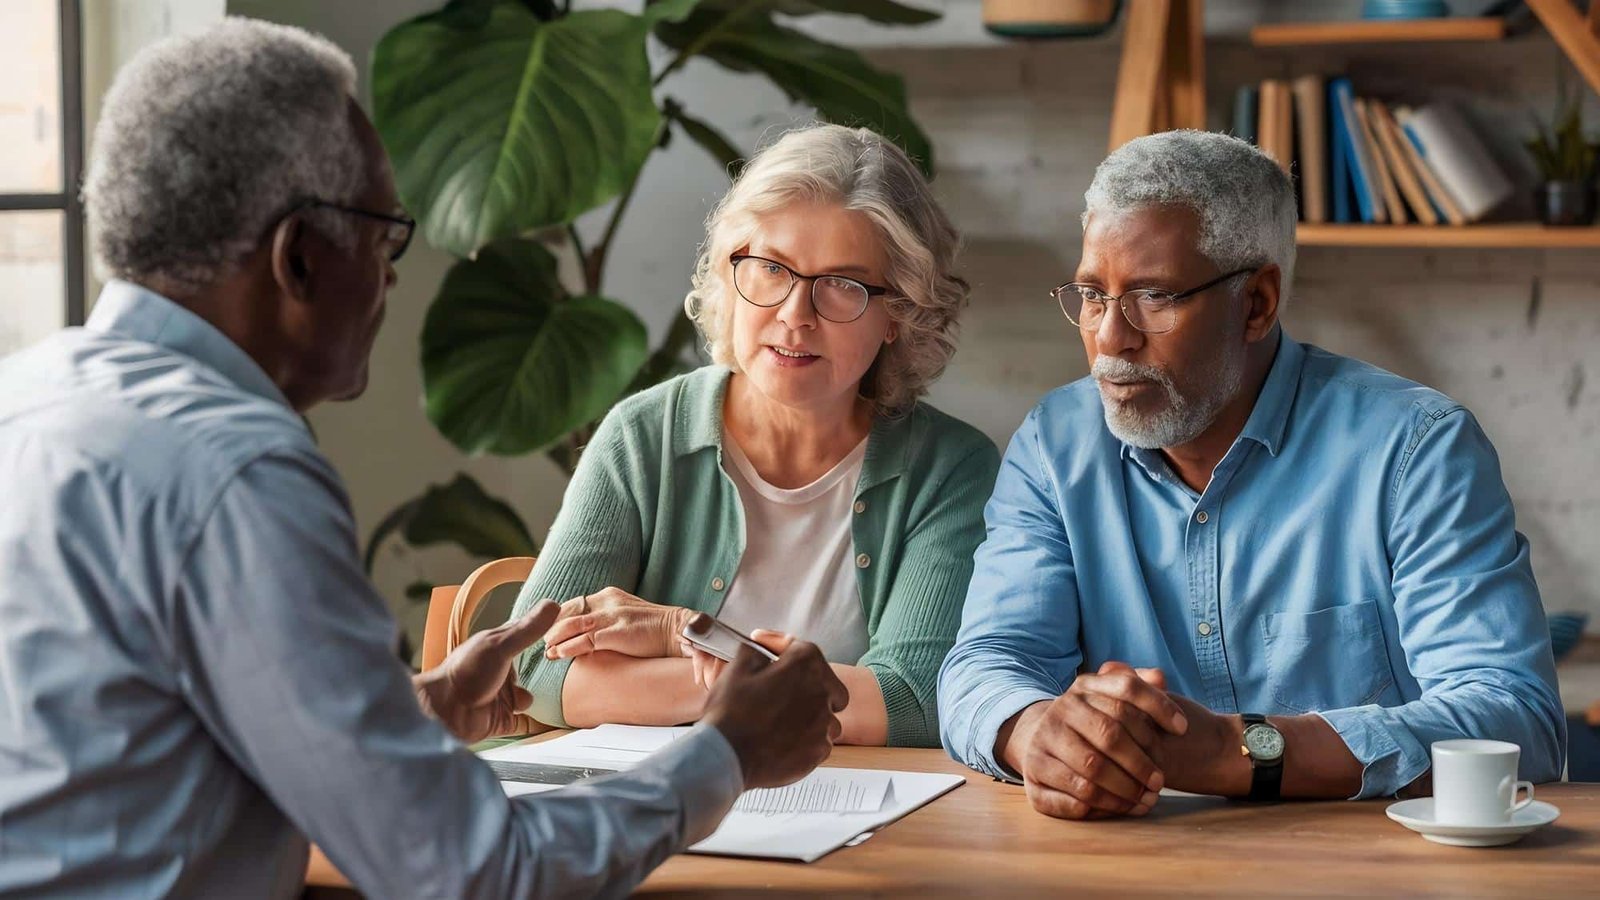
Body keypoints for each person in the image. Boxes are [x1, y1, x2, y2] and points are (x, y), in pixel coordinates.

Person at [0, 18, 847, 898]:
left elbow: (128, 743)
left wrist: (413, 712)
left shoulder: (24, 400)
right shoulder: (237, 473)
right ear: (298, 257)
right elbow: (473, 871)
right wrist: (726, 754)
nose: (393, 278)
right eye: (382, 237)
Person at [938, 130, 1566, 819]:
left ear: (1258, 303)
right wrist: (1035, 734)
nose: (1110, 339)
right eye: (1092, 295)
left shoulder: (1416, 449)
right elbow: (986, 663)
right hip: (1135, 865)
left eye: (1152, 296)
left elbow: (1515, 719)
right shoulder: (1054, 447)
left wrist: (1235, 752)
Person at [510, 124, 999, 748]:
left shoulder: (952, 468)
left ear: (897, 314)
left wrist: (686, 636)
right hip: (665, 811)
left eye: (843, 286)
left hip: (860, 815)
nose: (796, 316)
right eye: (771, 269)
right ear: (728, 271)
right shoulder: (644, 436)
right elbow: (537, 670)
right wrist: (776, 684)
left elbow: (914, 700)